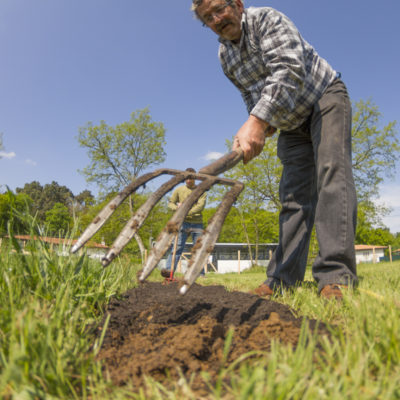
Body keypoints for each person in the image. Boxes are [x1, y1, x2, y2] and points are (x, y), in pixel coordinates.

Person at [191, 0, 358, 299]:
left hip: (324, 99)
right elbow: (250, 95)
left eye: (219, 9)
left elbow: (289, 69)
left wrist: (257, 121)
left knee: (332, 176)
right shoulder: (225, 56)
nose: (216, 19)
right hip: (290, 123)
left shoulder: (267, 19)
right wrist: (259, 129)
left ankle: (336, 276)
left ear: (238, 4)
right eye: (208, 18)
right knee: (293, 197)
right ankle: (282, 279)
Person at [160, 168, 207, 278]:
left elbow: (200, 206)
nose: (189, 180)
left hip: (197, 223)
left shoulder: (201, 191)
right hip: (183, 223)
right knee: (177, 247)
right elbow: (170, 203)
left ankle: (199, 274)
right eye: (187, 178)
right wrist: (177, 208)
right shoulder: (179, 190)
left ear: (195, 178)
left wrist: (184, 210)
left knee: (198, 249)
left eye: (191, 178)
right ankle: (169, 272)